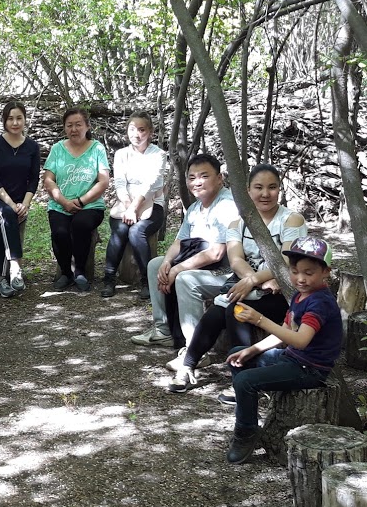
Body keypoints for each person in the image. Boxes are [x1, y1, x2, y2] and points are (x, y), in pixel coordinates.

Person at [168, 164, 307, 393]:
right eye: (259, 187)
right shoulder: (239, 222)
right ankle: (189, 366)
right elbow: (236, 259)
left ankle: (240, 379)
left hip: (281, 293)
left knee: (235, 309)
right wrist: (253, 280)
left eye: (272, 187)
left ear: (279, 189)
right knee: (220, 310)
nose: (265, 194)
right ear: (248, 190)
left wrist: (252, 281)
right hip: (249, 286)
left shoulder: (291, 220)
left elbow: (286, 261)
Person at [225, 237, 341, 464]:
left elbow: (300, 341)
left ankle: (246, 431)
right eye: (295, 272)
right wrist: (253, 350)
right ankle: (249, 414)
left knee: (245, 381)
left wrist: (259, 319)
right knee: (238, 355)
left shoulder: (320, 303)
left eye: (309, 273)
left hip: (310, 369)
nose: (300, 278)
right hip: (293, 358)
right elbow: (286, 330)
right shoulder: (300, 295)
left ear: (326, 272)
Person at [131, 154, 239, 350]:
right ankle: (163, 330)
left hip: (227, 272)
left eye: (204, 176)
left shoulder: (227, 205)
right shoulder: (195, 208)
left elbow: (216, 253)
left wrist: (177, 269)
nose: (197, 182)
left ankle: (194, 348)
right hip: (202, 265)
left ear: (219, 178)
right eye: (192, 177)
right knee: (156, 265)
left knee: (184, 278)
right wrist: (167, 263)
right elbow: (179, 242)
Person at [43, 107, 110, 292]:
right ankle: (66, 273)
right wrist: (64, 202)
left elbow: (104, 181)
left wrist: (81, 202)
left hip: (90, 205)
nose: (74, 129)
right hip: (60, 204)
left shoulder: (97, 148)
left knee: (80, 225)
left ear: (87, 126)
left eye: (78, 124)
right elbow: (48, 179)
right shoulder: (57, 149)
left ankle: (80, 271)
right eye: (69, 125)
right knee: (59, 232)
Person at [102, 111, 167, 299]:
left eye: (141, 130)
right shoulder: (121, 154)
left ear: (150, 132)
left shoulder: (158, 155)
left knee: (137, 231)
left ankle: (147, 281)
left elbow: (152, 183)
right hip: (125, 204)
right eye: (132, 129)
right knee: (121, 229)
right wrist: (127, 205)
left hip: (152, 204)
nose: (136, 134)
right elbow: (119, 182)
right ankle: (109, 278)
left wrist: (134, 208)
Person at [0, 100, 40, 298]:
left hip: (19, 204)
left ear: (25, 120)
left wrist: (25, 204)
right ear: (4, 121)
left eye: (19, 118)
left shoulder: (32, 146)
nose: (15, 123)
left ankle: (0, 280)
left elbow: (33, 179)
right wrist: (11, 204)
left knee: (3, 225)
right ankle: (15, 267)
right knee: (6, 214)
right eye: (10, 119)